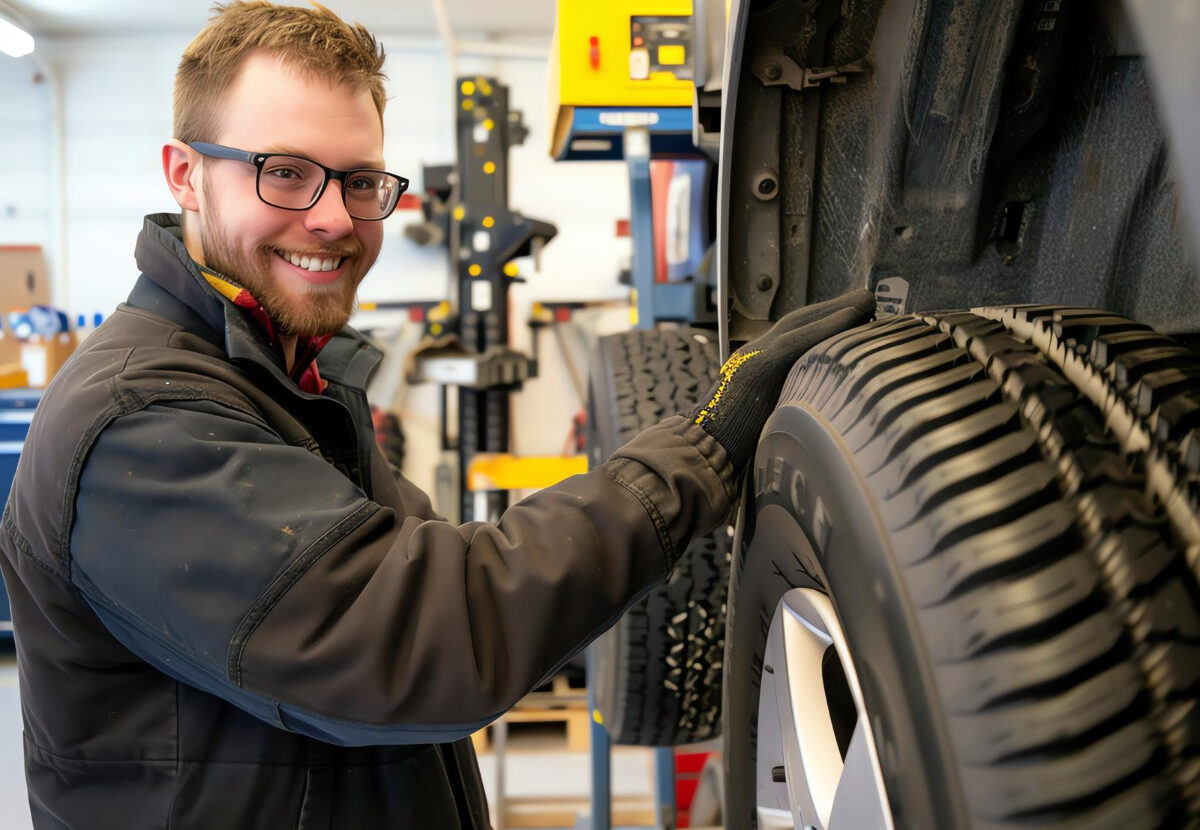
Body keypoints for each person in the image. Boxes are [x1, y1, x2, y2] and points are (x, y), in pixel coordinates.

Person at [0, 3, 874, 828]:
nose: (335, 217)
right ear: (185, 174)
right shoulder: (143, 422)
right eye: (286, 173)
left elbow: (447, 575)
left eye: (361, 181)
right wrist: (700, 451)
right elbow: (429, 636)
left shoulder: (287, 382)